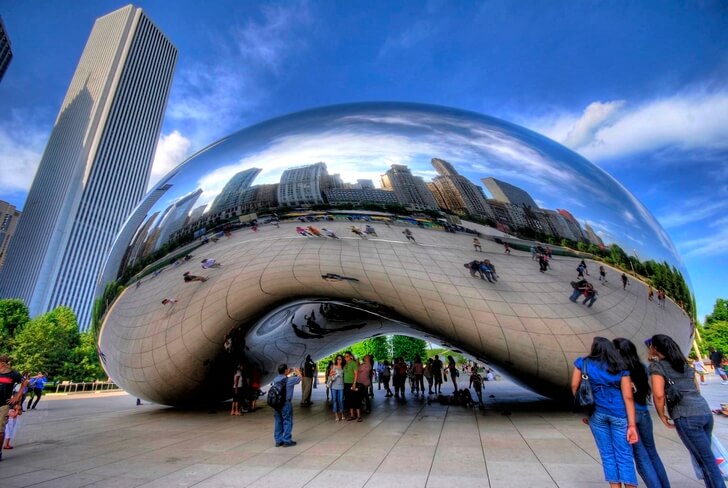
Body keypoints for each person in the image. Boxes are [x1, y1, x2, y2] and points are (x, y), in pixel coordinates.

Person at [647, 334, 725, 487]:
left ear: (655, 348)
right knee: (704, 459)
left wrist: (662, 414)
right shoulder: (685, 365)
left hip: (686, 416)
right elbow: (696, 388)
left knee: (707, 461)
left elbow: (658, 394)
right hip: (703, 411)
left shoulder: (658, 367)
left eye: (650, 345)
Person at [571, 338, 639, 488]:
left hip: (596, 413)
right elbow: (628, 397)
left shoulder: (583, 363)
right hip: (619, 413)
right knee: (625, 456)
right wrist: (632, 425)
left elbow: (575, 385)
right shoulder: (621, 367)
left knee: (607, 455)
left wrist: (585, 409)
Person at [613, 338, 671, 488]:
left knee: (641, 457)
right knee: (652, 453)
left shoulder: (618, 370)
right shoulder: (642, 367)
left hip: (629, 414)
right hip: (644, 412)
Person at [0, 355, 28, 461]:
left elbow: (25, 382)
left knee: (0, 430)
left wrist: (17, 397)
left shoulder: (13, 374)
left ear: (3, 363)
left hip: (4, 404)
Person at [271, 364, 301, 447]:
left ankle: (278, 440)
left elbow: (282, 378)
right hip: (285, 403)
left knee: (278, 421)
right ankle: (287, 440)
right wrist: (297, 371)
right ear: (285, 371)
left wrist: (286, 373)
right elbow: (300, 378)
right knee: (287, 421)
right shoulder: (289, 380)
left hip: (277, 403)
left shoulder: (276, 379)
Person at [343, 351, 359, 420]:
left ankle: (358, 416)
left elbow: (356, 374)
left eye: (347, 356)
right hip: (346, 383)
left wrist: (354, 383)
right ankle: (352, 415)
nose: (345, 358)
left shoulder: (353, 363)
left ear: (350, 356)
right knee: (349, 400)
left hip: (352, 383)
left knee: (355, 399)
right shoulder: (346, 364)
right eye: (345, 356)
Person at [329, 355, 345, 421]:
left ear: (342, 360)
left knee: (341, 400)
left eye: (340, 359)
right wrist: (332, 374)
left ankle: (342, 413)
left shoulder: (343, 367)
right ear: (336, 360)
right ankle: (336, 415)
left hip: (341, 386)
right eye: (338, 359)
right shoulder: (333, 366)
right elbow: (330, 375)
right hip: (334, 386)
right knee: (334, 400)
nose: (339, 360)